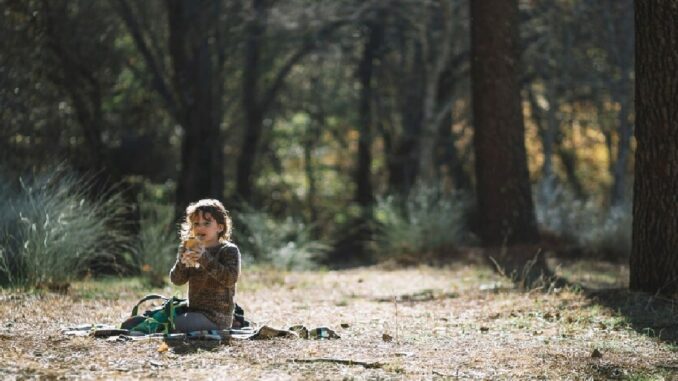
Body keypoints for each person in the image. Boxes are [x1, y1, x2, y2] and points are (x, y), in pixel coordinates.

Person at [169, 199, 241, 332]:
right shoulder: (188, 247)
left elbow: (230, 278)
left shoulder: (228, 250)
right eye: (196, 223)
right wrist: (182, 262)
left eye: (206, 223)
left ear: (220, 227)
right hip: (194, 311)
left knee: (173, 324)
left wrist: (204, 258)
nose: (200, 227)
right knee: (162, 317)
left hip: (217, 317)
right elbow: (177, 280)